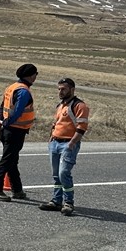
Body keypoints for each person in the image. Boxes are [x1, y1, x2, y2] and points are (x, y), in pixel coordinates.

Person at [39, 77, 90, 216]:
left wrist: (72, 143)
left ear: (72, 89)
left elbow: (82, 127)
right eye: (59, 89)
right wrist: (51, 138)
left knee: (64, 173)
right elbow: (56, 123)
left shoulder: (79, 106)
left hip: (68, 144)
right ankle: (56, 201)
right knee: (56, 175)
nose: (60, 92)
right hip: (55, 143)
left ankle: (68, 202)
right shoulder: (60, 106)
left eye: (63, 89)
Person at [0, 63, 37, 201]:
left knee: (12, 160)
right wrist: (6, 122)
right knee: (7, 160)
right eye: (35, 74)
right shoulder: (24, 91)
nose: (35, 77)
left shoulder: (12, 87)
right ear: (31, 76)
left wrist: (0, 120)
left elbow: (2, 107)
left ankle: (17, 190)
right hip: (15, 131)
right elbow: (17, 111)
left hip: (6, 130)